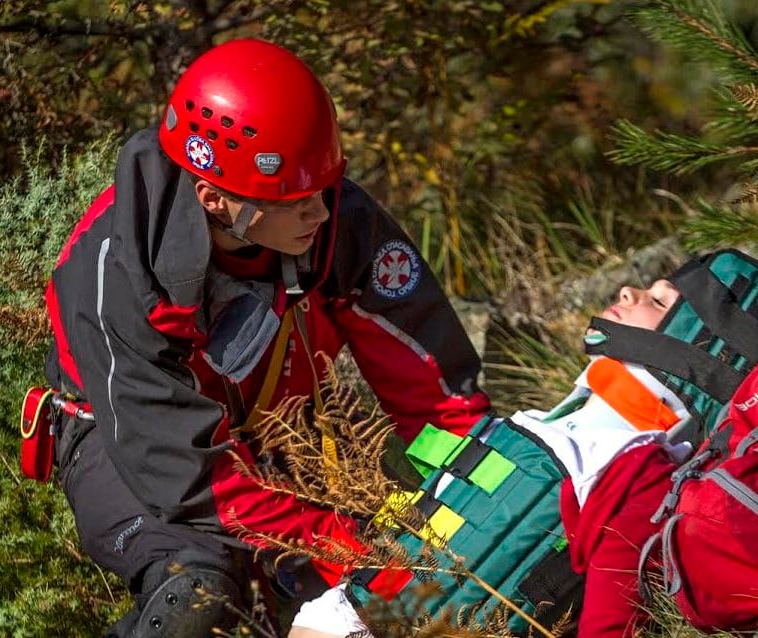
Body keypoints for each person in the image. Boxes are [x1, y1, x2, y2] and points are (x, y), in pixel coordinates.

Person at [40, 38, 490, 637]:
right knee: (199, 594)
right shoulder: (115, 275)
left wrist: (477, 498)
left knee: (395, 603)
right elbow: (189, 478)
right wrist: (347, 544)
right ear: (214, 199)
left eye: (324, 189)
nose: (321, 213)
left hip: (280, 429)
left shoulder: (332, 216)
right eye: (297, 201)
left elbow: (433, 392)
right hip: (130, 445)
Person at [286, 251, 758, 638]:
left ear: (706, 354)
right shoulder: (555, 427)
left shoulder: (636, 473)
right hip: (346, 605)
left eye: (658, 300)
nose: (628, 293)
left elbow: (609, 622)